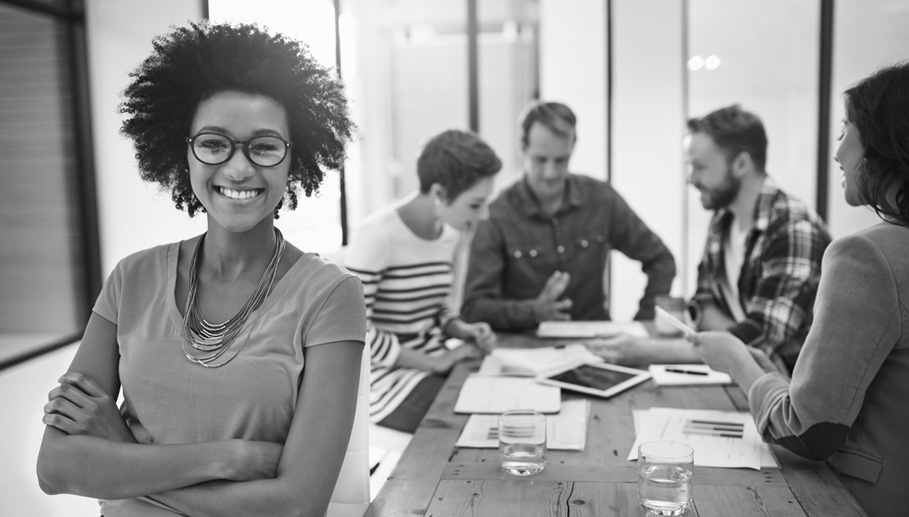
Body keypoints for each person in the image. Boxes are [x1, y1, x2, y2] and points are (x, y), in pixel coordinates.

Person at [36, 22, 366, 516]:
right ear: (182, 150)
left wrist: (122, 458)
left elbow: (297, 507)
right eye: (214, 144)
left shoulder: (330, 296)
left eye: (264, 146)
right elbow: (55, 468)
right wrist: (231, 458)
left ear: (293, 160)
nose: (238, 169)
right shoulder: (132, 280)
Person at [692, 62, 909, 517]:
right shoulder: (722, 221)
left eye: (846, 129)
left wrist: (736, 357)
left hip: (855, 498)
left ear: (880, 144)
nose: (838, 151)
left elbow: (805, 429)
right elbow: (702, 302)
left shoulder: (867, 256)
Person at [590, 105, 830, 374]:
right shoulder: (723, 219)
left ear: (741, 164)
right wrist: (732, 336)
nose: (690, 178)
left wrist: (646, 350)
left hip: (787, 397)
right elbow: (704, 304)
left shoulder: (793, 230)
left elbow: (759, 341)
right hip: (740, 378)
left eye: (700, 167)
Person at [462, 100, 676, 331]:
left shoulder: (601, 199)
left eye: (561, 160)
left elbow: (662, 261)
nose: (550, 172)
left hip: (596, 342)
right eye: (540, 160)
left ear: (573, 147)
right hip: (526, 347)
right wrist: (533, 311)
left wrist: (640, 326)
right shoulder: (496, 213)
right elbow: (474, 308)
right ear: (522, 148)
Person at [343, 129, 500, 432]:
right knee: (479, 422)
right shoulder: (378, 235)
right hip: (388, 383)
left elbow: (435, 304)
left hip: (439, 365)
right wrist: (433, 363)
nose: (484, 215)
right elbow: (352, 330)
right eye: (475, 204)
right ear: (440, 194)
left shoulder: (449, 235)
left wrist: (460, 329)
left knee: (506, 400)